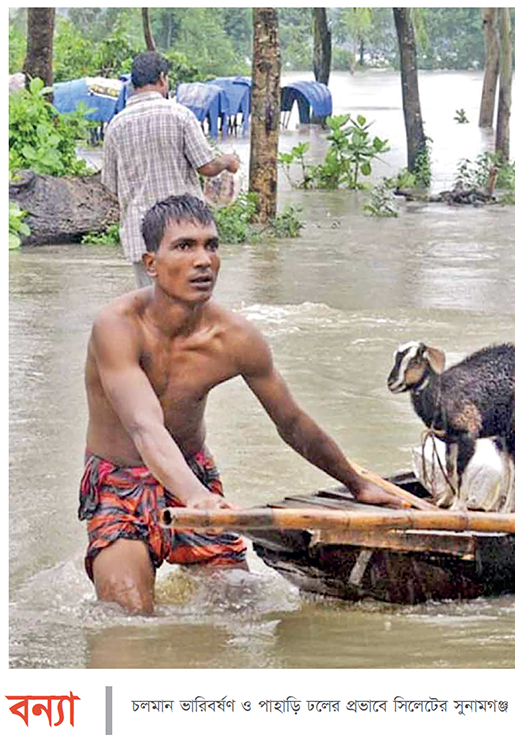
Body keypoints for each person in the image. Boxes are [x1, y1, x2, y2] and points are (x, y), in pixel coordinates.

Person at [80, 195, 407, 615]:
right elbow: (145, 427)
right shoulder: (117, 326)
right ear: (151, 263)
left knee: (241, 608)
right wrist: (196, 498)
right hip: (119, 483)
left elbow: (290, 422)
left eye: (211, 245)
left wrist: (358, 484)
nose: (203, 260)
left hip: (193, 472)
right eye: (185, 246)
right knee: (129, 616)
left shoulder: (235, 338)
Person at [101, 51, 240, 289]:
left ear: (133, 84)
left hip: (141, 236)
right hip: (184, 233)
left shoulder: (116, 125)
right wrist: (227, 161)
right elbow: (206, 167)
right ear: (163, 79)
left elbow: (110, 185)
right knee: (191, 305)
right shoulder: (181, 115)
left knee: (152, 307)